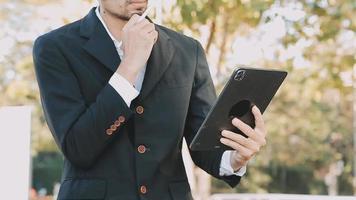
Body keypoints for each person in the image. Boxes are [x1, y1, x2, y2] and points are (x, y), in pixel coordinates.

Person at [33, 0, 267, 199]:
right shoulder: (55, 47)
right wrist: (130, 66)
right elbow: (77, 148)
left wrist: (235, 158)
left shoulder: (188, 50)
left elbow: (203, 144)